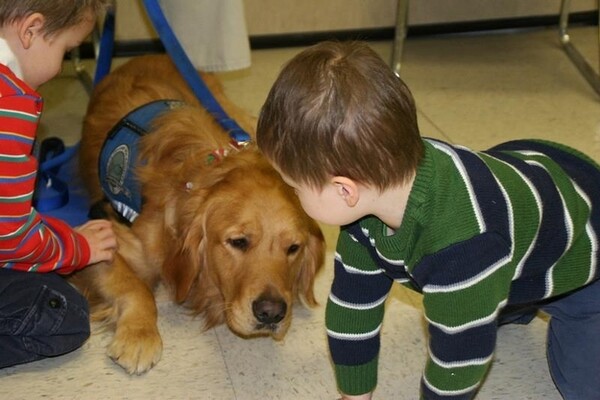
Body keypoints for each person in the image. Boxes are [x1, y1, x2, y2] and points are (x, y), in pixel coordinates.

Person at [256, 40, 600, 400]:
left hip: (580, 243)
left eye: (295, 187)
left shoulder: (462, 247)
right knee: (469, 299)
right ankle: (500, 296)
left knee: (583, 385)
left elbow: (458, 363)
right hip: (513, 225)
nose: (293, 197)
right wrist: (354, 394)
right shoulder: (372, 192)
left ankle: (530, 297)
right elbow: (352, 306)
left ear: (345, 190)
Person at [0, 0, 116, 368]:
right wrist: (75, 248)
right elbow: (10, 236)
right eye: (67, 51)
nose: (62, 64)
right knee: (64, 314)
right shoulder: (10, 104)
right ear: (30, 30)